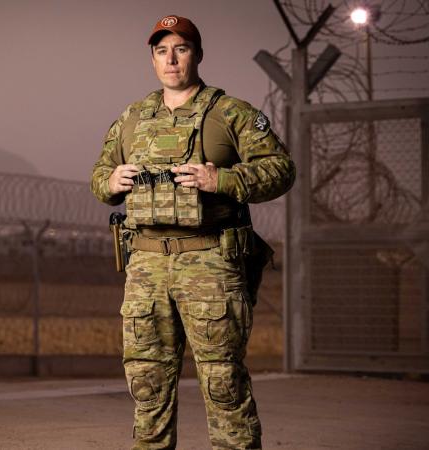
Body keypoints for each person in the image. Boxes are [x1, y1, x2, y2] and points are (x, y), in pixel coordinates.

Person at [90, 14, 295, 449]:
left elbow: (281, 169)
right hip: (145, 266)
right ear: (152, 59)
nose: (171, 59)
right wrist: (109, 183)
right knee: (147, 385)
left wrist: (219, 180)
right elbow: (100, 174)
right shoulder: (132, 118)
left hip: (211, 263)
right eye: (162, 51)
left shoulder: (230, 113)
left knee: (224, 383)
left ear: (197, 54)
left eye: (180, 49)